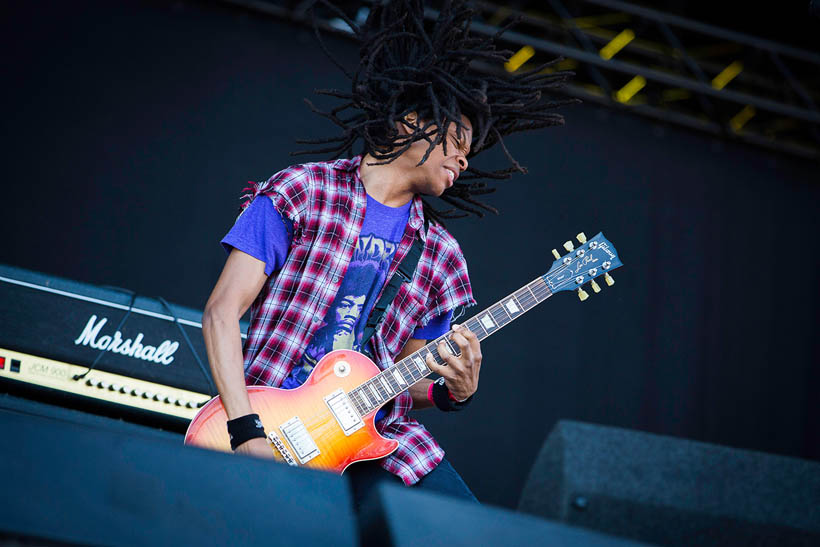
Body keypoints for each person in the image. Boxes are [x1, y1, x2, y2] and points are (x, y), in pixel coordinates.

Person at [201, 0, 574, 505]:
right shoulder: (301, 193)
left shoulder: (441, 256)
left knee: (465, 531)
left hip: (376, 443)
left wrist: (452, 390)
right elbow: (222, 314)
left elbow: (411, 376)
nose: (465, 156)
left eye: (471, 150)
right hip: (268, 422)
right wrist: (245, 432)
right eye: (458, 139)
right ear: (409, 123)